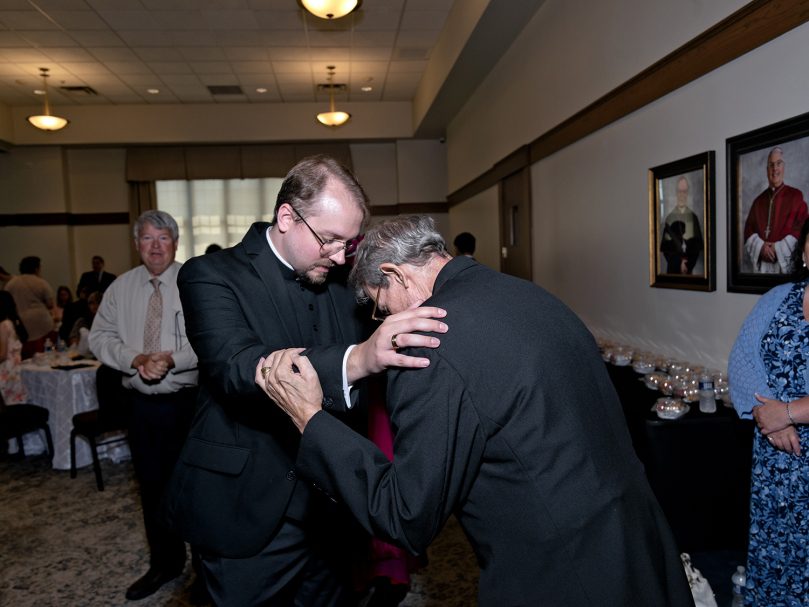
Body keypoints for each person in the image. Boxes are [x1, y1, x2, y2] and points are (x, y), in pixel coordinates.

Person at [258, 215, 694, 607]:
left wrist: (309, 419)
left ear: (394, 274)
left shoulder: (429, 343)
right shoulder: (530, 295)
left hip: (561, 572)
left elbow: (404, 515)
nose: (386, 323)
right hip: (637, 542)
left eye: (380, 307)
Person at [162, 156, 448, 607]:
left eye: (347, 245)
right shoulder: (210, 275)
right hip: (247, 509)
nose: (339, 257)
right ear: (287, 217)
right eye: (329, 240)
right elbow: (236, 367)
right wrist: (358, 359)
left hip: (332, 508)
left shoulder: (340, 283)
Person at [89, 210, 203, 602]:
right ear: (136, 244)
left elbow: (209, 338)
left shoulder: (195, 281)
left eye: (163, 238)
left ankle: (206, 569)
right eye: (147, 239)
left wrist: (173, 359)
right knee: (152, 489)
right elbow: (99, 337)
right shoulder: (120, 288)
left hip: (188, 404)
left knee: (196, 488)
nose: (156, 246)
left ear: (175, 242)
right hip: (141, 406)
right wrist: (136, 359)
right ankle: (165, 563)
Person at [729, 217, 809, 605]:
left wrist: (789, 413)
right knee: (774, 565)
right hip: (776, 467)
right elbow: (743, 359)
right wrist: (769, 417)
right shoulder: (780, 296)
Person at [743, 147, 809, 273]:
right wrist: (761, 247)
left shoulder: (796, 196)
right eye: (771, 165)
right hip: (762, 272)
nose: (775, 169)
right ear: (767, 170)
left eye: (778, 163)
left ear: (784, 167)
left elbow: (803, 229)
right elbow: (748, 231)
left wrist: (777, 248)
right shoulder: (758, 201)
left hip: (787, 271)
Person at [5, 256, 55, 358]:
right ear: (36, 268)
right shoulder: (41, 282)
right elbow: (50, 304)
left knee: (25, 355)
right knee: (44, 355)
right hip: (42, 324)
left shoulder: (11, 284)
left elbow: (6, 302)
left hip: (21, 324)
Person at [660, 176, 703, 274]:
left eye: (685, 191)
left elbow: (697, 248)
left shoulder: (693, 217)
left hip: (688, 271)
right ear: (676, 192)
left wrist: (686, 264)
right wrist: (679, 262)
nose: (682, 194)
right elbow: (666, 250)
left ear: (688, 193)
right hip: (672, 271)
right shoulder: (670, 218)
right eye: (680, 191)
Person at [0, 291, 29, 405]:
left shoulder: (3, 325)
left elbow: (2, 354)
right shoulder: (12, 322)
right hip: (14, 369)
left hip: (5, 370)